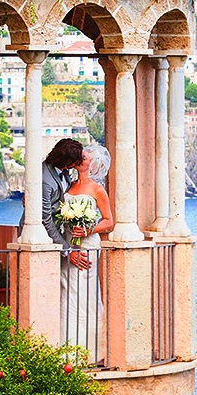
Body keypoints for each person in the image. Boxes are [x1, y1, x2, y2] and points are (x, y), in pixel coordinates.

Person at [60, 144, 114, 364]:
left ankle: (88, 351)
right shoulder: (67, 184)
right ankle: (65, 351)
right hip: (68, 244)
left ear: (91, 165)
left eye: (84, 157)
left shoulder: (97, 190)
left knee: (85, 295)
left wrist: (89, 229)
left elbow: (109, 222)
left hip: (88, 245)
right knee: (67, 294)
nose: (80, 159)